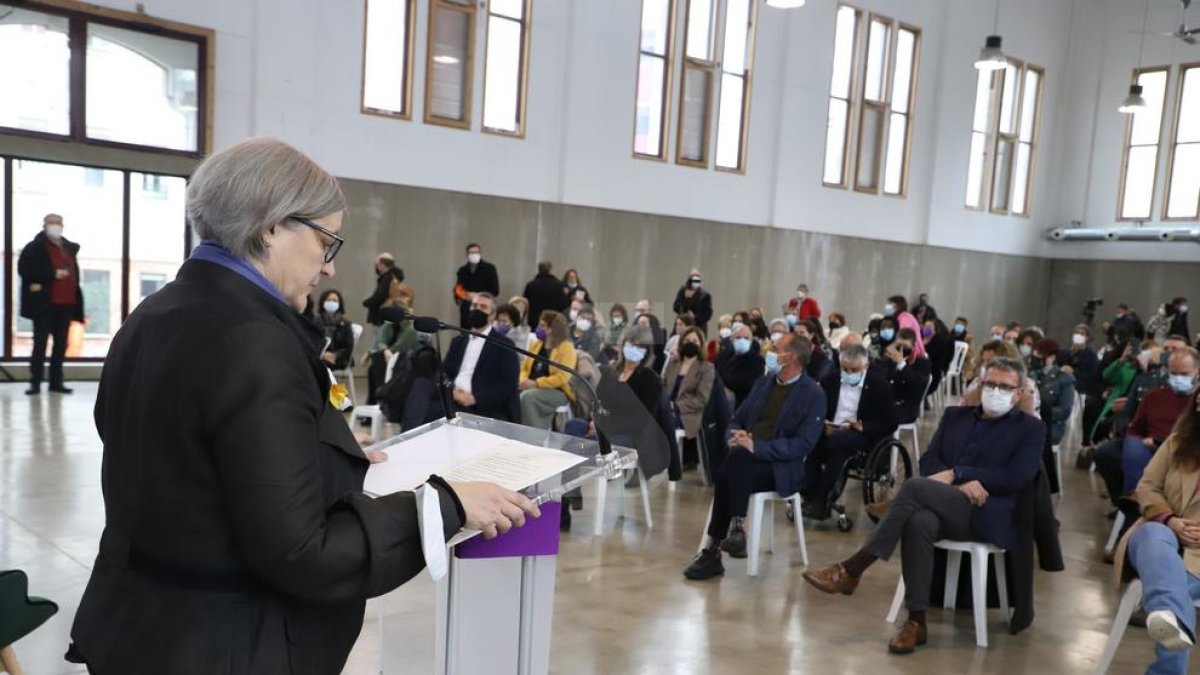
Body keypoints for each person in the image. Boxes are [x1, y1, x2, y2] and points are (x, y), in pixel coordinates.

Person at [65, 138, 537, 675]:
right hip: (223, 642)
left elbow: (186, 459)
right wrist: (445, 506)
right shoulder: (254, 341)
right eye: (326, 241)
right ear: (271, 227)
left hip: (140, 625)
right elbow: (302, 553)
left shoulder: (153, 315)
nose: (329, 268)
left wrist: (319, 447)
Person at [803, 358, 1044, 655]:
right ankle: (916, 622)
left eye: (1005, 387)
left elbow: (1017, 477)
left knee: (915, 487)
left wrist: (960, 473)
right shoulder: (956, 416)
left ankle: (854, 568)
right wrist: (956, 484)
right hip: (946, 503)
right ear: (980, 385)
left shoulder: (1030, 429)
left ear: (1019, 393)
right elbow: (930, 460)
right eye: (990, 384)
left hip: (987, 513)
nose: (996, 391)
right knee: (919, 522)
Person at [683, 334, 825, 580]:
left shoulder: (813, 394)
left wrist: (756, 447)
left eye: (777, 348)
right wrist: (733, 435)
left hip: (779, 468)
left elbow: (802, 445)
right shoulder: (765, 383)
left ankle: (715, 547)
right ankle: (735, 530)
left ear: (791, 357)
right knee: (737, 461)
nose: (770, 351)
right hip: (745, 459)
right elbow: (737, 416)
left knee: (732, 466)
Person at [1113, 387, 1200, 675]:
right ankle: (1170, 614)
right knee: (1153, 535)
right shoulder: (1177, 442)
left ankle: (1168, 619)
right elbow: (1147, 486)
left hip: (1197, 556)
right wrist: (1171, 520)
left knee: (1176, 597)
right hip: (1159, 533)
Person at [803, 344, 898, 519]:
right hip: (831, 428)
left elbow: (891, 422)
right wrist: (823, 424)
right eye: (844, 369)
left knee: (840, 442)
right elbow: (816, 410)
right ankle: (811, 495)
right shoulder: (829, 381)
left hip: (860, 434)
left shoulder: (879, 385)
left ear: (866, 367)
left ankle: (823, 498)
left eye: (854, 370)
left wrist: (864, 426)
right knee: (809, 442)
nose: (848, 373)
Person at [18, 213, 83, 395]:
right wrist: (52, 274)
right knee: (40, 344)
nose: (55, 226)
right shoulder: (35, 248)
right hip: (45, 305)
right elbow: (25, 270)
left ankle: (56, 382)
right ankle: (35, 382)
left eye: (58, 223)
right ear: (44, 225)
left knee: (61, 344)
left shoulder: (68, 248)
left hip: (66, 304)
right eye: (51, 223)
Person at [443, 292, 520, 422]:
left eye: (483, 307)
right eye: (474, 305)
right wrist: (453, 392)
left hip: (483, 406)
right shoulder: (458, 341)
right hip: (452, 399)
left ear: (492, 315)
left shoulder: (504, 345)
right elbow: (444, 372)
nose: (477, 309)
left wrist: (475, 399)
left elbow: (508, 385)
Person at [663, 327, 716, 471]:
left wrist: (676, 406)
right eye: (687, 340)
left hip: (688, 413)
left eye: (694, 341)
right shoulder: (673, 363)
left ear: (701, 344)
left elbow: (702, 399)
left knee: (664, 422)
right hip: (666, 407)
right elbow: (662, 385)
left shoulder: (706, 367)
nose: (690, 343)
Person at [519, 310, 578, 429]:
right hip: (530, 385)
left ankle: (534, 435)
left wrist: (536, 383)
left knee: (527, 397)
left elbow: (562, 378)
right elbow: (524, 367)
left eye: (542, 326)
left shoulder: (566, 348)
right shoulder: (536, 344)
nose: (538, 328)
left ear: (553, 329)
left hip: (557, 391)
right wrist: (523, 380)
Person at [366, 281, 420, 405]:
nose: (401, 299)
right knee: (373, 365)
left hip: (407, 358)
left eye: (404, 295)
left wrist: (388, 351)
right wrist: (381, 350)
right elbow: (381, 338)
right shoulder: (391, 313)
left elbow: (406, 340)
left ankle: (381, 398)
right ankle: (374, 401)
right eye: (399, 295)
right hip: (390, 356)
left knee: (377, 360)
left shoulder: (412, 321)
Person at [885, 328, 933, 425]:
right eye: (899, 345)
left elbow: (917, 383)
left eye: (905, 346)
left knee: (876, 417)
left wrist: (901, 364)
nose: (901, 349)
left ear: (913, 346)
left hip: (906, 409)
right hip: (888, 403)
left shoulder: (921, 362)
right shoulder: (890, 359)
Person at [716, 323, 765, 409]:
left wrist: (724, 382)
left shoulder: (757, 360)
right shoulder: (724, 355)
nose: (742, 340)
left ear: (751, 341)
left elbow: (749, 383)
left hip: (741, 402)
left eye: (746, 338)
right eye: (738, 338)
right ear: (732, 340)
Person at [454, 243, 500, 328]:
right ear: (467, 254)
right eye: (472, 253)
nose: (474, 255)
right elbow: (458, 289)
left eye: (476, 252)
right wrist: (467, 294)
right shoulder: (462, 270)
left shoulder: (489, 268)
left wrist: (479, 295)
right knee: (465, 331)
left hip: (483, 306)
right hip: (467, 307)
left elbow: (495, 290)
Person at [361, 252, 404, 330]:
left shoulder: (387, 278)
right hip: (390, 316)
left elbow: (380, 295)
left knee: (380, 339)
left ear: (382, 264)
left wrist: (367, 302)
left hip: (382, 316)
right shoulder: (395, 278)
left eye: (377, 265)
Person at [522, 261, 568, 330]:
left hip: (534, 319)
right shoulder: (559, 285)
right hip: (553, 319)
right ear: (550, 270)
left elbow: (525, 302)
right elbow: (563, 304)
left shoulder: (531, 285)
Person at [317, 289, 355, 371]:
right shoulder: (315, 322)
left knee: (324, 366)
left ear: (339, 304)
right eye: (328, 300)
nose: (331, 302)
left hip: (339, 358)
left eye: (334, 300)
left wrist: (335, 355)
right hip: (320, 356)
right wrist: (323, 354)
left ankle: (335, 384)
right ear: (323, 302)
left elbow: (348, 346)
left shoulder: (345, 323)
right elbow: (311, 341)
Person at [883, 295, 927, 359]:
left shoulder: (904, 318)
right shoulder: (900, 317)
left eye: (890, 304)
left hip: (914, 353)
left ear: (897, 306)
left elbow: (903, 336)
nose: (887, 306)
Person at [673, 270, 713, 337]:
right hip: (683, 324)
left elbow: (707, 314)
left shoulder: (705, 295)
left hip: (698, 327)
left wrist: (694, 317)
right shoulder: (683, 291)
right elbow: (676, 307)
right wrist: (685, 299)